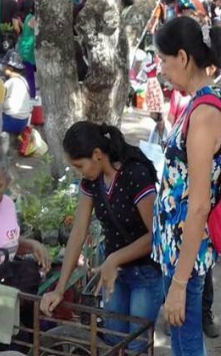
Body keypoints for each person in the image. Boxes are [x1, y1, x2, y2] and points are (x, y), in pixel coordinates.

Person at [41, 122, 162, 351]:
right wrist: (59, 288)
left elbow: (155, 236)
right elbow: (78, 232)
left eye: (79, 165)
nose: (79, 172)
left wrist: (114, 259)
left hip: (145, 274)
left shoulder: (135, 174)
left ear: (97, 154)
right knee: (112, 344)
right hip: (113, 274)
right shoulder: (91, 181)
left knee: (136, 347)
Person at [152, 16, 221, 356]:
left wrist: (180, 283)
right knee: (185, 344)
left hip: (186, 256)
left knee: (187, 347)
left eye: (164, 60)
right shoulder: (197, 104)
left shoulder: (203, 114)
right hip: (179, 252)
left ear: (182, 57)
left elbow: (198, 205)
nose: (162, 70)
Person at [0, 148, 50, 298]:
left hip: (2, 301)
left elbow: (4, 243)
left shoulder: (8, 205)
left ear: (7, 183)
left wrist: (31, 246)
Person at [1, 51, 31, 136]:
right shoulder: (24, 81)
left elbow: (0, 100)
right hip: (23, 122)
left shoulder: (10, 82)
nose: (2, 68)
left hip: (10, 121)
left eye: (4, 65)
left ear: (10, 68)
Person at [18, 0, 37, 98]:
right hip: (28, 50)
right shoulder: (33, 19)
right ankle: (32, 96)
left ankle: (31, 95)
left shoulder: (28, 16)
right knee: (30, 76)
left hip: (26, 48)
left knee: (29, 75)